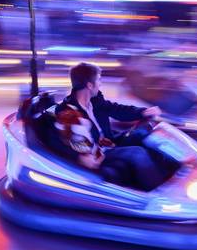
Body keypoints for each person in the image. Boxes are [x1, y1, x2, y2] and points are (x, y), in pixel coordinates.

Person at [53, 62, 170, 191]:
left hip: (109, 142)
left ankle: (169, 176)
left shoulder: (95, 100)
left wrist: (143, 112)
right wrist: (79, 157)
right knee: (137, 153)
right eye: (99, 80)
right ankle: (158, 193)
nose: (100, 83)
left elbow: (117, 109)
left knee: (145, 132)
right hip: (98, 152)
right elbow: (64, 140)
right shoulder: (68, 112)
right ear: (89, 85)